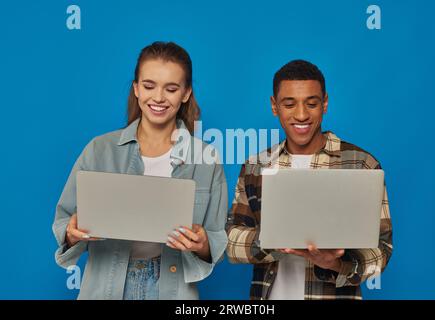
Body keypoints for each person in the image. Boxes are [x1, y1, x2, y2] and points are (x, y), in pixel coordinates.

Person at [53, 41, 228, 300]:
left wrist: (203, 246)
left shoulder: (206, 159)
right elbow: (64, 220)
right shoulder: (99, 149)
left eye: (171, 88)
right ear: (136, 88)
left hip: (172, 287)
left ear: (186, 93)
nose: (158, 98)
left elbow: (217, 237)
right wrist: (71, 232)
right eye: (149, 86)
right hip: (105, 285)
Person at [226, 59, 393, 300]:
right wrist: (273, 239)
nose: (301, 115)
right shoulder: (255, 167)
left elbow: (382, 249)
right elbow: (231, 243)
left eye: (312, 103)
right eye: (289, 104)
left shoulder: (361, 164)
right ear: (275, 106)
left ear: (325, 103)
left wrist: (335, 263)